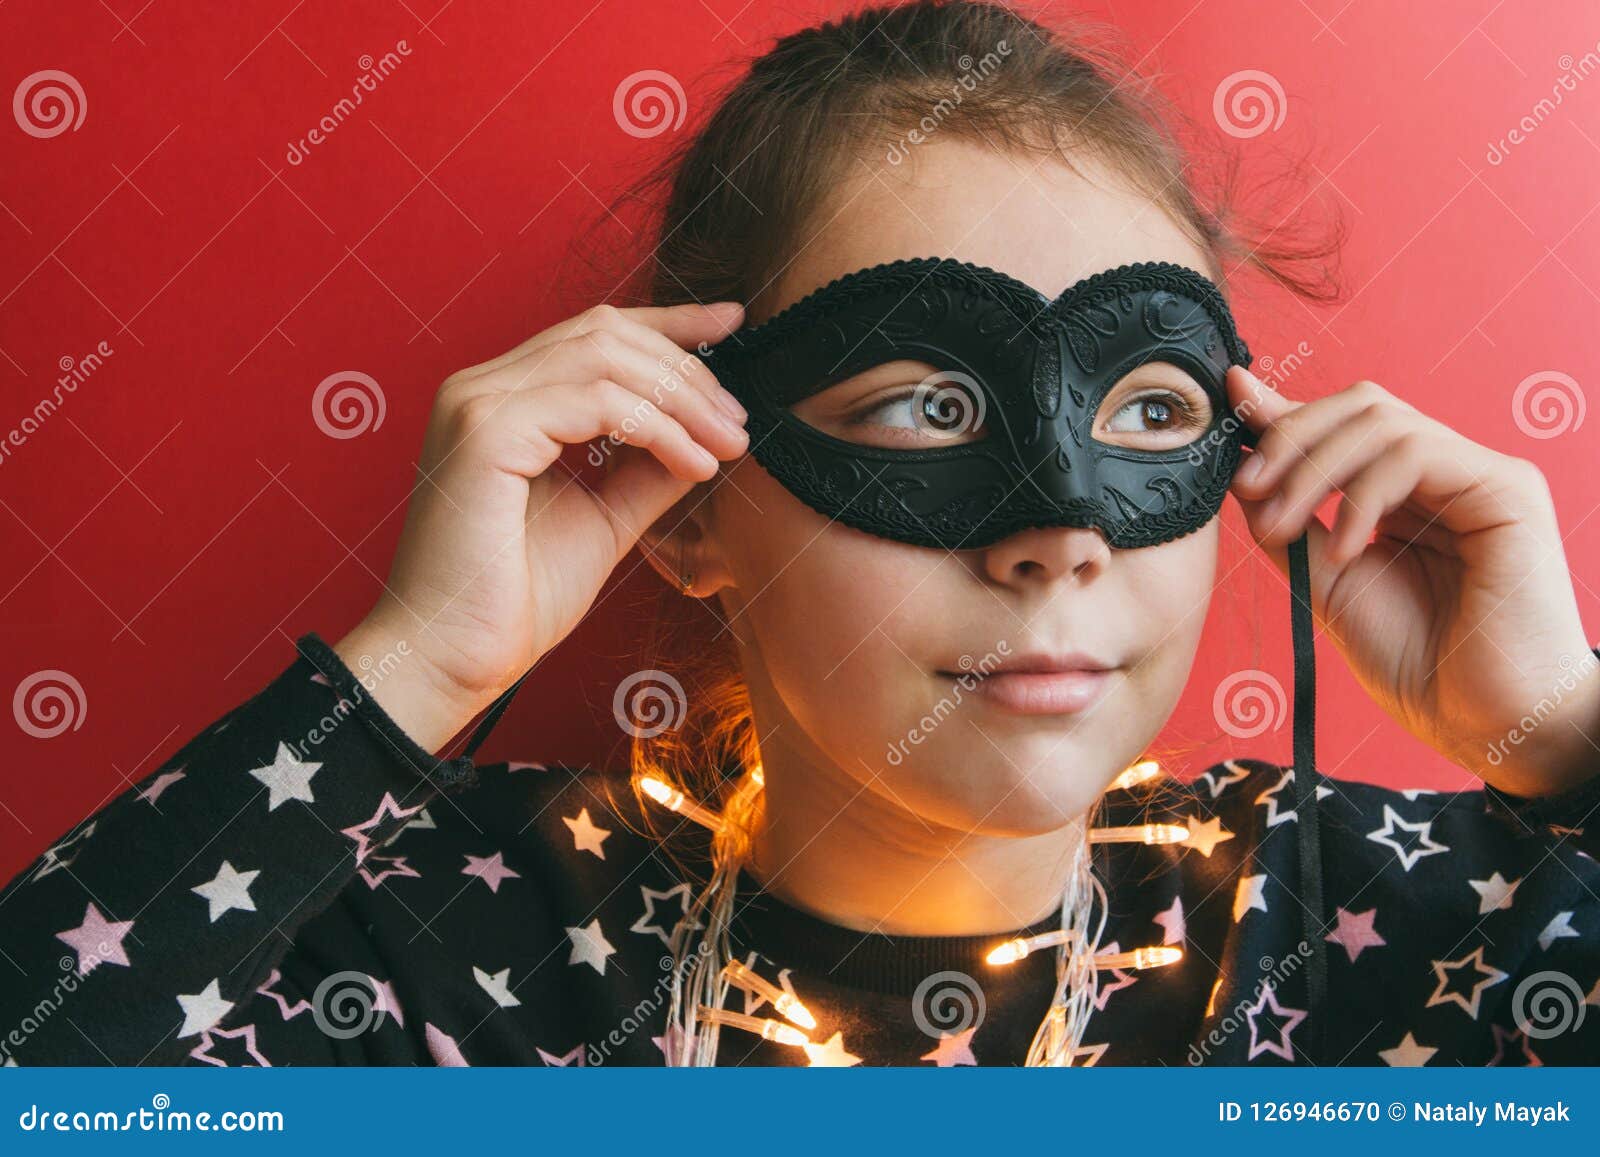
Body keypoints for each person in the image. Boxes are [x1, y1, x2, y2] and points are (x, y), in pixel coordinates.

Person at [2, 0, 1597, 1068]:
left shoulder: (1378, 926)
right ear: (692, 497)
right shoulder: (432, 934)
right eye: (925, 408)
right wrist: (416, 664)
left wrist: (1564, 731)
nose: (1057, 536)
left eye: (1150, 413)